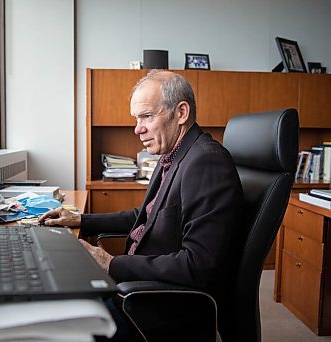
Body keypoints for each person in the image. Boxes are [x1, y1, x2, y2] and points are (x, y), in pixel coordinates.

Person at [39, 70, 243, 340]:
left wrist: (110, 263)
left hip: (155, 304)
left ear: (181, 113)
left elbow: (199, 265)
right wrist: (82, 220)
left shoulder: (206, 162)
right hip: (136, 286)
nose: (138, 129)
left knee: (51, 322)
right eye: (137, 119)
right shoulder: (173, 155)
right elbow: (145, 216)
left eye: (147, 116)